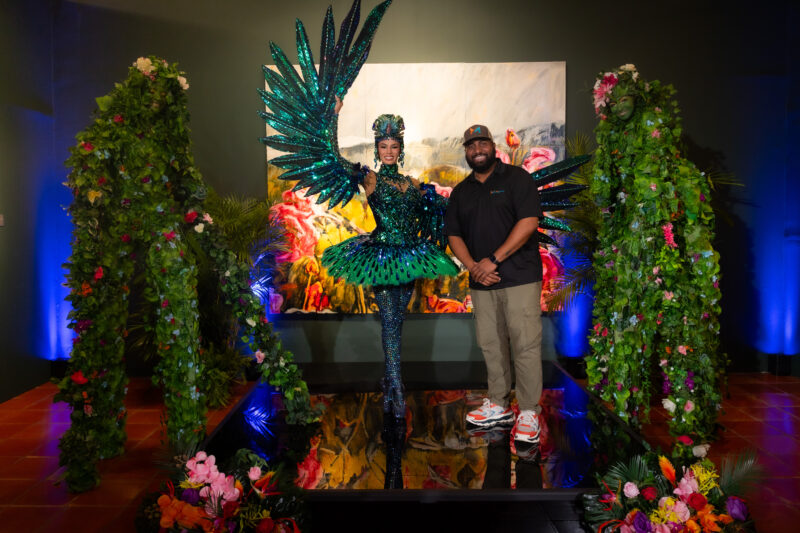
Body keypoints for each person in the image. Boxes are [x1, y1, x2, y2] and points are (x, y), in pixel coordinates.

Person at [320, 100, 458, 418]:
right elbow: (335, 159)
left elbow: (444, 208)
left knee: (397, 320)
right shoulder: (370, 179)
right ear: (377, 149)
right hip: (381, 257)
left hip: (408, 256)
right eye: (383, 146)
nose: (388, 152)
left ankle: (390, 380)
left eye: (394, 146)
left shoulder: (412, 184)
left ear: (400, 148)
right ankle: (396, 386)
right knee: (389, 321)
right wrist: (333, 115)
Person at [445, 124, 544, 445]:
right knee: (491, 345)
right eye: (471, 145)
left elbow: (529, 221)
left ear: (493, 145)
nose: (477, 149)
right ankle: (499, 404)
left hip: (519, 277)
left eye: (482, 143)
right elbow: (453, 235)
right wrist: (474, 267)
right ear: (466, 151)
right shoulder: (462, 191)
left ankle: (529, 410)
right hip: (481, 281)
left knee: (525, 344)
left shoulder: (517, 179)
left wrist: (493, 260)